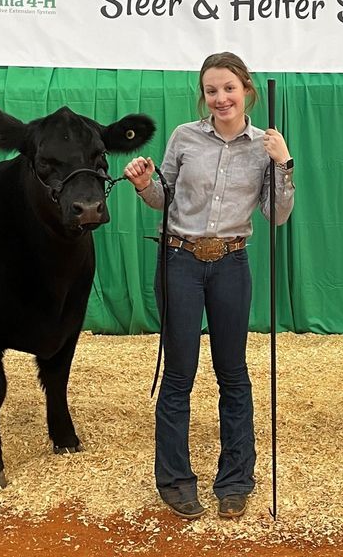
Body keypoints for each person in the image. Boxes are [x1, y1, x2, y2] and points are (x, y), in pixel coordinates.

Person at [123, 52, 294, 520]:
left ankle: (236, 479)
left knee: (232, 373)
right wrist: (142, 184)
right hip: (179, 259)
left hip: (231, 263)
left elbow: (276, 215)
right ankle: (175, 480)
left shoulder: (266, 145)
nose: (220, 98)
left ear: (246, 89)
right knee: (180, 374)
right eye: (211, 90)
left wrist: (284, 164)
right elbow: (163, 198)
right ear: (204, 95)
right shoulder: (183, 137)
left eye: (228, 88)